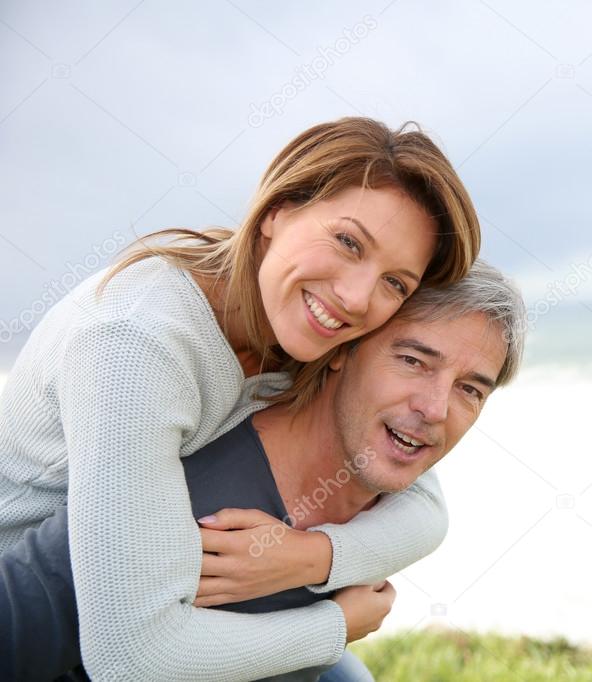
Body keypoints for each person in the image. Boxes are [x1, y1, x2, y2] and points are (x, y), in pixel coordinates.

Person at [0, 117, 481, 679]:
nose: (356, 297)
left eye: (395, 282)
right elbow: (129, 659)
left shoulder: (308, 329)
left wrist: (311, 559)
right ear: (277, 210)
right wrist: (334, 628)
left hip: (158, 591)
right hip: (37, 612)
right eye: (348, 242)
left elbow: (422, 501)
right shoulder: (137, 342)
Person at [0, 261, 526, 681]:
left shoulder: (386, 500)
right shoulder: (175, 484)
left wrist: (317, 559)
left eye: (470, 389)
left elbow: (430, 512)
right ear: (344, 349)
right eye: (413, 361)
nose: (435, 408)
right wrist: (334, 626)